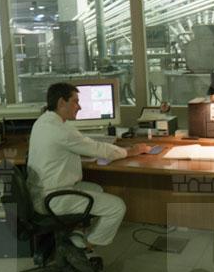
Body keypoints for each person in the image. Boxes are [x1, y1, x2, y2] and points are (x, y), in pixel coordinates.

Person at [27, 82, 149, 250]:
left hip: (42, 192)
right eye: (75, 101)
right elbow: (98, 149)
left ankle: (77, 232)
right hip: (52, 198)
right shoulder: (60, 130)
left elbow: (78, 146)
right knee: (116, 207)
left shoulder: (44, 122)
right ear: (61, 102)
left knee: (96, 189)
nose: (79, 107)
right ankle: (85, 247)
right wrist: (131, 151)